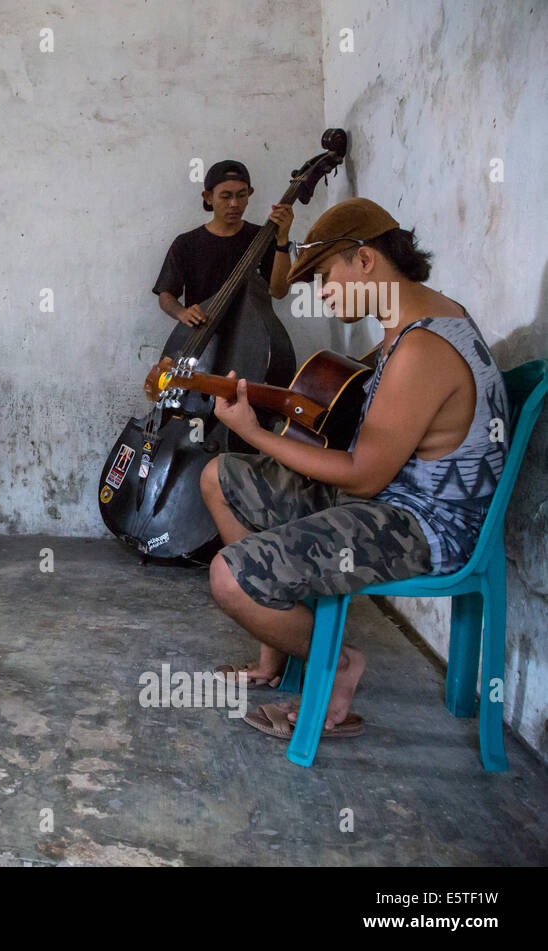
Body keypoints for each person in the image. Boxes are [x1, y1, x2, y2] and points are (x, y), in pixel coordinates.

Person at [200, 197, 508, 741]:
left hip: (425, 528)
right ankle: (275, 654)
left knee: (228, 577)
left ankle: (339, 664)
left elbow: (364, 475)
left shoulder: (424, 346)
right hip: (389, 499)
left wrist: (255, 433)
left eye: (323, 276)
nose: (322, 293)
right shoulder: (415, 321)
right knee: (220, 477)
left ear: (364, 261)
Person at [152, 160, 294, 327]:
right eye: (225, 196)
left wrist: (282, 238)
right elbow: (166, 295)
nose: (234, 204)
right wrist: (182, 313)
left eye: (241, 195)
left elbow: (279, 291)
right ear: (208, 197)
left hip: (251, 334)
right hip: (202, 333)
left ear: (250, 194)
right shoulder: (187, 243)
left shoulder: (262, 238)